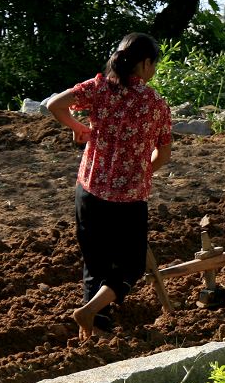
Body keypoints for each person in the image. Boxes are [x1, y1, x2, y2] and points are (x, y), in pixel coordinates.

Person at [47, 33, 173, 341]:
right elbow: (164, 154)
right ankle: (91, 312)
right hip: (129, 199)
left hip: (89, 191)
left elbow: (53, 105)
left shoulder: (98, 88)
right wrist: (143, 170)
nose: (153, 70)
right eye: (153, 64)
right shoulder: (155, 104)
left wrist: (81, 129)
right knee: (130, 266)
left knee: (95, 263)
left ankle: (94, 331)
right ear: (144, 65)